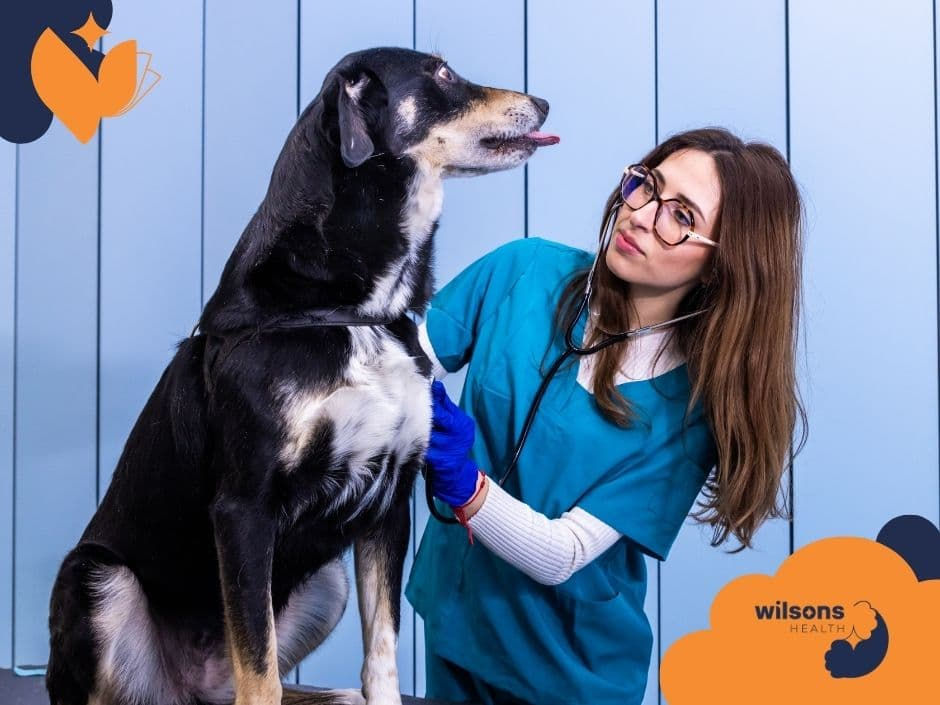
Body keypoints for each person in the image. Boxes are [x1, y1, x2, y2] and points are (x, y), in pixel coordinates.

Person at [404, 127, 807, 705]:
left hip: (569, 675)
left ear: (724, 265)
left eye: (680, 216)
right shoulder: (522, 271)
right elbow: (394, 363)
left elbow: (560, 553)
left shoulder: (690, 411)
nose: (641, 215)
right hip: (455, 625)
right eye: (646, 186)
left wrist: (461, 482)